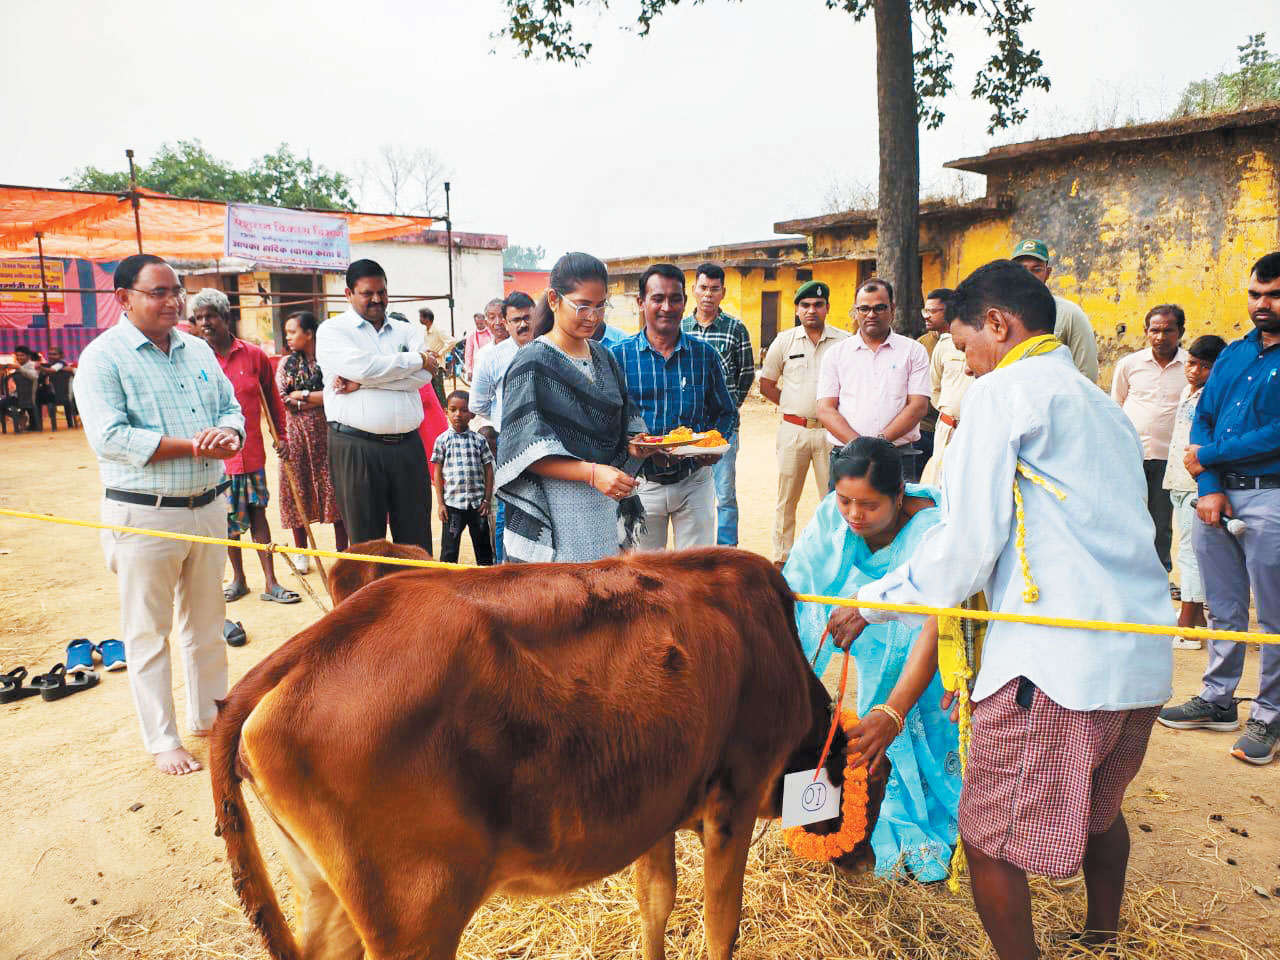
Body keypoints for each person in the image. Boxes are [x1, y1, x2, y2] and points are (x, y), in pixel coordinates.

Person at [838, 260, 1174, 958]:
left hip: (1053, 667)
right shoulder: (1100, 404)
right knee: (1096, 812)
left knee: (987, 840)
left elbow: (965, 548)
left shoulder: (1003, 396)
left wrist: (870, 603)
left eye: (966, 349)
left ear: (998, 324)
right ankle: (1101, 938)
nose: (967, 365)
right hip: (1138, 660)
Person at [74, 254, 245, 776]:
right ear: (123, 298)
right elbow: (111, 438)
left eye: (177, 290)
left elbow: (230, 407)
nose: (173, 301)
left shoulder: (196, 350)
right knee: (148, 634)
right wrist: (197, 446)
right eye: (158, 292)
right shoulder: (103, 359)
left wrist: (229, 434)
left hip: (208, 506)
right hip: (144, 516)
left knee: (208, 625)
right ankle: (163, 740)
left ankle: (210, 719)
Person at [783, 438, 960, 882]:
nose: (854, 515)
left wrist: (892, 708)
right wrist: (791, 677)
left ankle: (918, 816)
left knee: (921, 732)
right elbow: (802, 585)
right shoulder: (833, 512)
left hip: (922, 642)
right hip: (862, 632)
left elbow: (934, 616)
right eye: (845, 500)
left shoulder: (933, 530)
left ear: (899, 495)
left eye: (869, 505)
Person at [1159, 251, 1280, 766]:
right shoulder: (1232, 354)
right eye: (1256, 293)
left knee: (1273, 615)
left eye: (1274, 294)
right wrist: (1208, 482)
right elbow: (1203, 419)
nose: (1263, 304)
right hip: (1216, 496)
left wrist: (1209, 457)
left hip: (1271, 497)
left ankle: (1270, 715)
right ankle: (1218, 698)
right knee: (1224, 607)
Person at [497, 252, 652, 563]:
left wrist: (638, 446)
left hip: (605, 505)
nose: (592, 316)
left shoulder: (605, 358)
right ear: (554, 299)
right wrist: (591, 473)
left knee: (604, 596)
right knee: (563, 602)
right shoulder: (532, 362)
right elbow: (522, 453)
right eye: (582, 306)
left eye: (599, 306)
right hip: (557, 511)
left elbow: (624, 425)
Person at [611, 263, 738, 550]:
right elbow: (606, 422)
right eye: (657, 298)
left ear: (684, 302)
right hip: (640, 483)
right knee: (645, 578)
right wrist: (630, 446)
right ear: (641, 302)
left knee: (695, 575)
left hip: (694, 481)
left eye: (675, 298)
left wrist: (713, 446)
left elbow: (726, 412)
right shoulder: (618, 357)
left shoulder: (703, 355)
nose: (667, 307)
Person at [315, 258, 438, 553]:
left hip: (408, 447)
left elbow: (421, 378)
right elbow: (367, 368)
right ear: (348, 294)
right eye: (367, 293)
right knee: (367, 545)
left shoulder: (404, 330)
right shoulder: (332, 331)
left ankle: (416, 601)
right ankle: (373, 600)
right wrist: (416, 360)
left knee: (416, 541)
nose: (377, 299)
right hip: (357, 449)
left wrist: (364, 381)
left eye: (382, 292)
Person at [192, 289, 298, 605]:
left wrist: (282, 436)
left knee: (258, 516)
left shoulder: (254, 356)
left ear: (226, 317)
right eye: (199, 318)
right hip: (216, 460)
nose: (204, 323)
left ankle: (271, 582)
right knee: (227, 523)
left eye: (210, 316)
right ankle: (238, 580)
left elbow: (274, 402)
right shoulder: (197, 357)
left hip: (250, 455)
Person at [759, 280, 849, 565]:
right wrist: (793, 404)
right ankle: (782, 558)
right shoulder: (784, 341)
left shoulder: (845, 341)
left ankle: (832, 558)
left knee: (833, 499)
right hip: (794, 430)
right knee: (787, 499)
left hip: (831, 432)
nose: (812, 310)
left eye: (818, 305)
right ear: (797, 309)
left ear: (827, 308)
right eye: (806, 305)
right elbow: (766, 383)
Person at [816, 278, 930, 485]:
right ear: (855, 311)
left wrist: (879, 444)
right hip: (847, 456)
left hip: (899, 457)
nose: (871, 315)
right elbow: (825, 409)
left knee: (900, 516)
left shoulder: (913, 352)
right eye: (864, 309)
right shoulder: (836, 354)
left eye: (879, 308)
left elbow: (918, 405)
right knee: (845, 516)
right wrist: (860, 447)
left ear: (892, 309)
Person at [681, 262, 755, 547]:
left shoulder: (735, 329)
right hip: (687, 429)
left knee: (724, 493)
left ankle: (726, 550)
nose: (708, 294)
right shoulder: (682, 328)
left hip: (724, 429)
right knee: (689, 490)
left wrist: (728, 408)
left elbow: (746, 374)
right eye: (703, 288)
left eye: (714, 289)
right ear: (694, 290)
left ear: (723, 292)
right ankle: (696, 552)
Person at [1110, 305, 1187, 574]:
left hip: (1169, 458)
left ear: (1181, 332)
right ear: (1146, 332)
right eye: (1154, 330)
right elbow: (1116, 405)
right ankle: (1125, 574)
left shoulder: (1190, 366)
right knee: (1126, 515)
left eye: (1168, 330)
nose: (1160, 337)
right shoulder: (1129, 365)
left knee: (1161, 520)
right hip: (1132, 454)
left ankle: (1158, 575)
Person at [1162, 334, 1227, 651]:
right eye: (1191, 363)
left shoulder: (1212, 398)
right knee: (1186, 548)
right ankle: (1195, 614)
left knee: (1190, 554)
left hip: (1195, 484)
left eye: (1204, 366)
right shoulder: (1190, 392)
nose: (1194, 371)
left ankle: (1189, 624)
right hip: (1177, 479)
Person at [276, 311, 348, 571]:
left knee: (335, 491)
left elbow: (338, 392)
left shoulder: (328, 362)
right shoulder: (286, 364)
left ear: (309, 334)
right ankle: (301, 552)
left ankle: (344, 552)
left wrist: (303, 395)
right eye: (287, 333)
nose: (289, 338)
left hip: (328, 436)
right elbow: (284, 398)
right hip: (296, 439)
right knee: (298, 490)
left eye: (293, 332)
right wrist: (316, 399)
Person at [471, 292, 537, 561]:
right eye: (515, 320)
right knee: (506, 510)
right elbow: (478, 403)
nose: (522, 325)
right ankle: (502, 567)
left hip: (550, 447)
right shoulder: (492, 358)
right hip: (509, 446)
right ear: (506, 324)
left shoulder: (549, 350)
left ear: (537, 317)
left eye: (527, 318)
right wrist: (502, 420)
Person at [1011, 238, 1100, 382]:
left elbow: (1086, 375)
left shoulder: (1070, 314)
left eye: (1037, 269)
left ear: (1048, 273)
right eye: (1021, 269)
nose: (1028, 276)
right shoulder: (1000, 316)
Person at [432, 390, 495, 565]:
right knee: (449, 552)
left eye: (464, 410)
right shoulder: (442, 441)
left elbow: (489, 469)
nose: (458, 414)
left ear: (472, 413)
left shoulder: (479, 440)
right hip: (453, 508)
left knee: (484, 551)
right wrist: (441, 504)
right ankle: (446, 587)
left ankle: (486, 586)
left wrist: (487, 500)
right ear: (446, 412)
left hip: (477, 506)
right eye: (453, 410)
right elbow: (437, 472)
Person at [920, 288, 971, 486]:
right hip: (946, 428)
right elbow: (935, 387)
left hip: (973, 429)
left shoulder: (984, 341)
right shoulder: (944, 345)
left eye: (933, 311)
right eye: (926, 311)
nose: (927, 316)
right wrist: (947, 411)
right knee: (939, 484)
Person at [419, 306, 455, 409]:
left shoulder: (437, 330)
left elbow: (452, 341)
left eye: (421, 317)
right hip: (429, 363)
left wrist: (439, 353)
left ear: (427, 319)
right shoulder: (426, 331)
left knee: (439, 389)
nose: (420, 319)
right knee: (432, 390)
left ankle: (444, 409)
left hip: (437, 364)